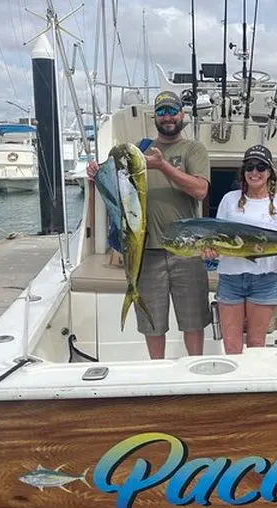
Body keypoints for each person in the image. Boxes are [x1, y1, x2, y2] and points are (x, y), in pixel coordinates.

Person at [87, 90, 211, 360]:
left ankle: (196, 370)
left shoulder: (193, 149)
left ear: (182, 115)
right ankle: (158, 371)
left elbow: (200, 190)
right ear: (154, 117)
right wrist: (99, 175)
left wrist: (163, 166)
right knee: (152, 323)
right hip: (144, 253)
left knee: (193, 321)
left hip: (186, 251)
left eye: (172, 111)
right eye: (162, 112)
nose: (168, 117)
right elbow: (118, 193)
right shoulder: (138, 151)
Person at [202, 145, 277, 354]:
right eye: (250, 167)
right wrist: (212, 253)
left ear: (270, 172)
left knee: (257, 344)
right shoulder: (229, 200)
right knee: (231, 346)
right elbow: (219, 240)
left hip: (265, 281)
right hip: (231, 280)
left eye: (261, 167)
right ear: (243, 172)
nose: (255, 172)